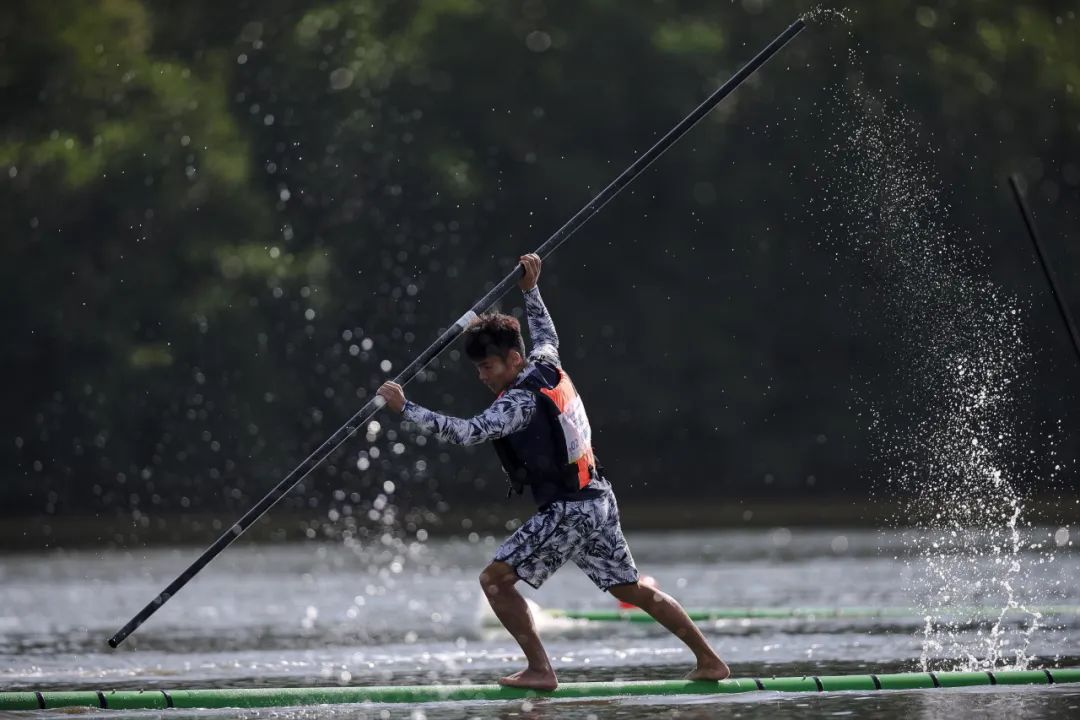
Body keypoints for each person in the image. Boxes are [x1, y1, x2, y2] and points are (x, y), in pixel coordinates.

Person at [377, 254, 730, 690]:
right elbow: (545, 331)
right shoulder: (547, 361)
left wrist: (406, 408)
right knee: (629, 589)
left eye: (487, 367)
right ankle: (710, 660)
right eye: (478, 370)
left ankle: (541, 670)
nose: (484, 377)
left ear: (511, 359)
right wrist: (530, 289)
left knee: (495, 581)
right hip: (599, 498)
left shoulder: (519, 402)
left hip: (571, 509)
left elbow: (467, 433)